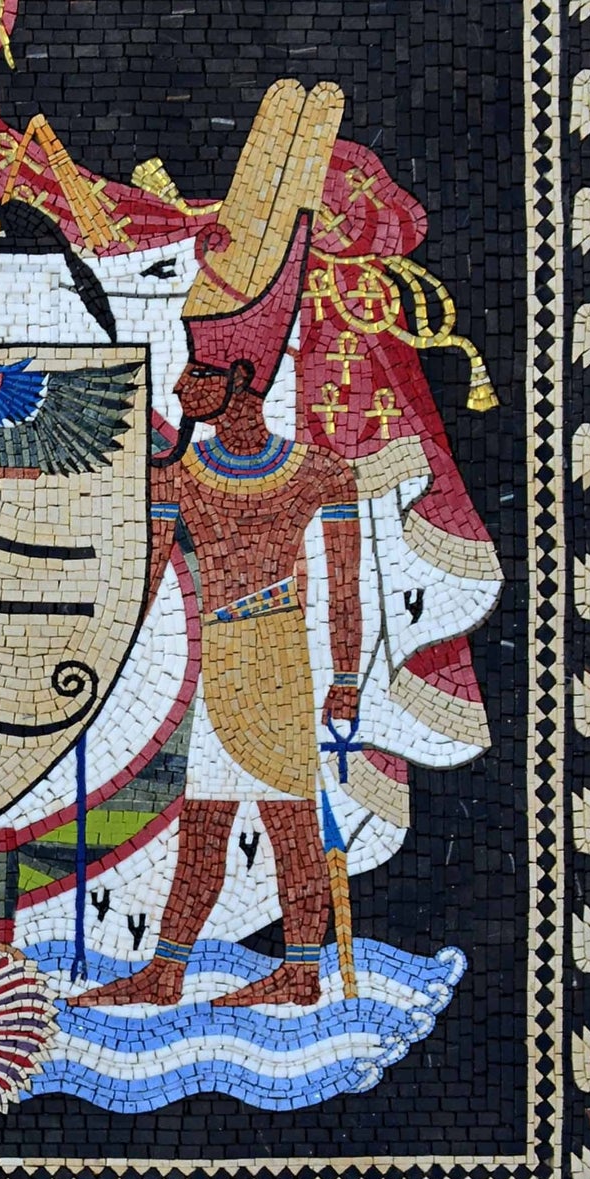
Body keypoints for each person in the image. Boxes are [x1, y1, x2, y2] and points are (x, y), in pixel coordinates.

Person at [71, 79, 362, 1008]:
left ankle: (300, 971)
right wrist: (101, 660)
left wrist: (346, 677)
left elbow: (344, 584)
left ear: (237, 378)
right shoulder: (182, 477)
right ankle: (166, 969)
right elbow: (148, 570)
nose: (180, 387)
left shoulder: (317, 475)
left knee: (286, 817)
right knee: (201, 823)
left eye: (196, 373)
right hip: (225, 658)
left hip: (276, 655)